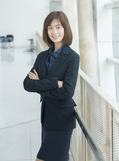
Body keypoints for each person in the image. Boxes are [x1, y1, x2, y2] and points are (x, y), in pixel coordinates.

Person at [23, 11, 80, 161]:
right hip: (47, 118)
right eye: (50, 28)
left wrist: (40, 85)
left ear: (65, 29)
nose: (54, 32)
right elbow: (27, 84)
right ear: (46, 31)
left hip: (62, 120)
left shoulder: (73, 57)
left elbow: (67, 91)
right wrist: (55, 83)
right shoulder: (42, 57)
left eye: (58, 27)